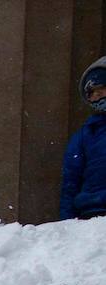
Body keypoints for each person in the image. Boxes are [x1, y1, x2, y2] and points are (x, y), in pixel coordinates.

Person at [61, 55, 106, 221]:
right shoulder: (84, 135)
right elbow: (70, 183)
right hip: (89, 214)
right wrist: (66, 225)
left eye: (101, 88)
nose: (97, 95)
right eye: (91, 92)